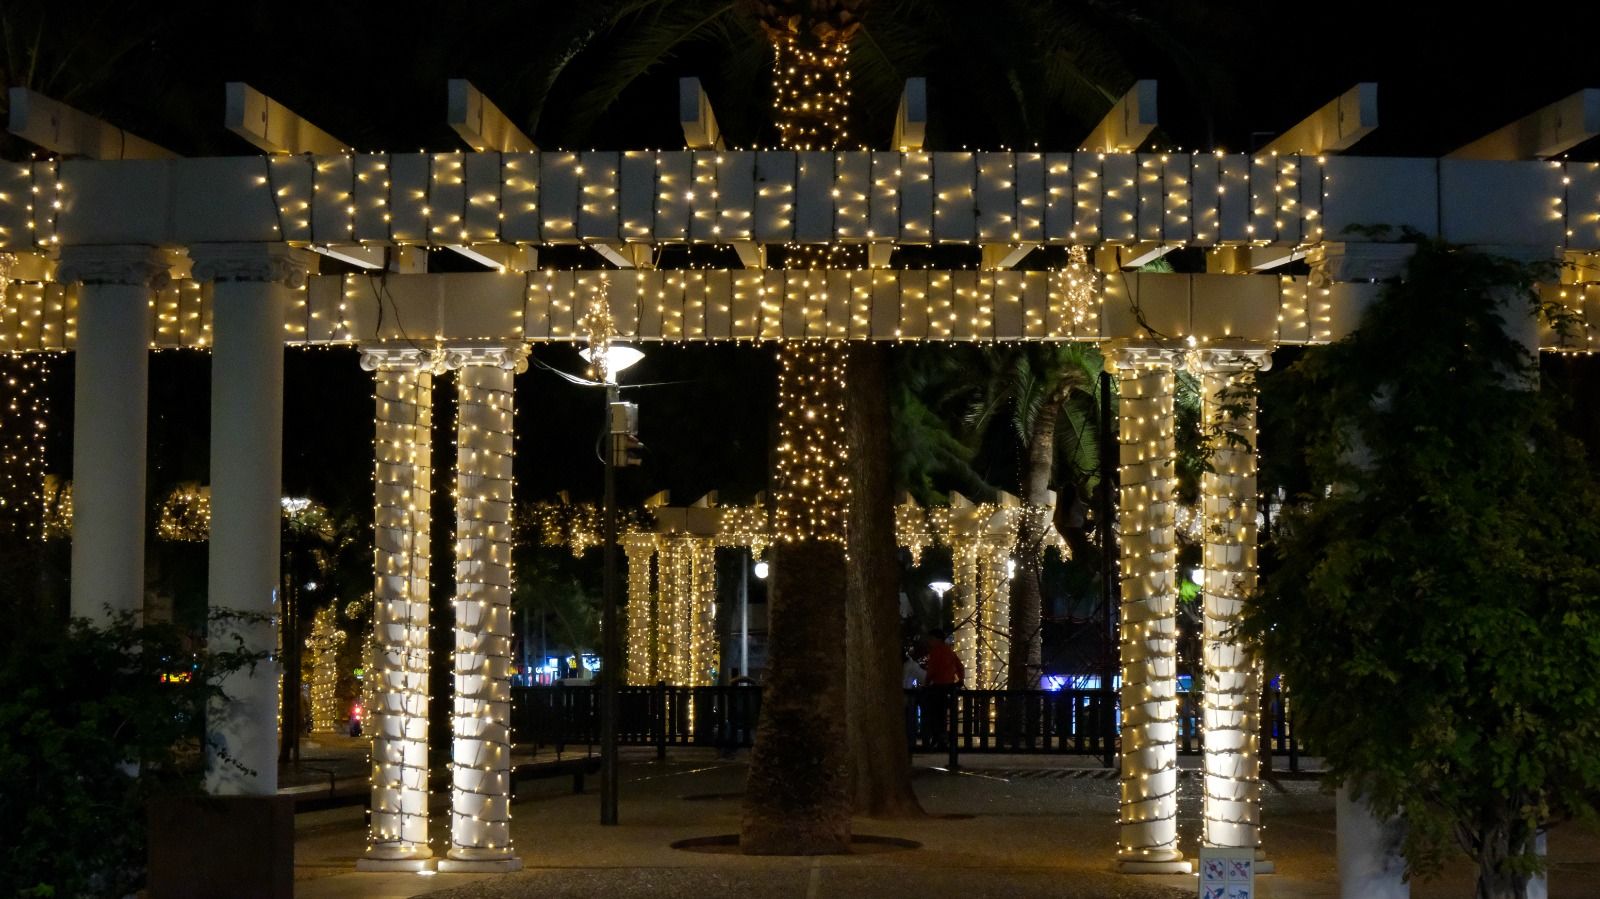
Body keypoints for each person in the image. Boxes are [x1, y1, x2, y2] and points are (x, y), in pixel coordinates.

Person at [922, 630, 963, 749]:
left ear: (937, 639)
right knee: (943, 714)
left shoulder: (936, 652)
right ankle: (943, 738)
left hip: (938, 687)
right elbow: (960, 666)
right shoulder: (949, 651)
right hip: (949, 687)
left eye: (932, 639)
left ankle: (937, 737)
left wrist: (926, 683)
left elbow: (932, 670)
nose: (930, 642)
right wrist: (960, 680)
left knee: (935, 714)